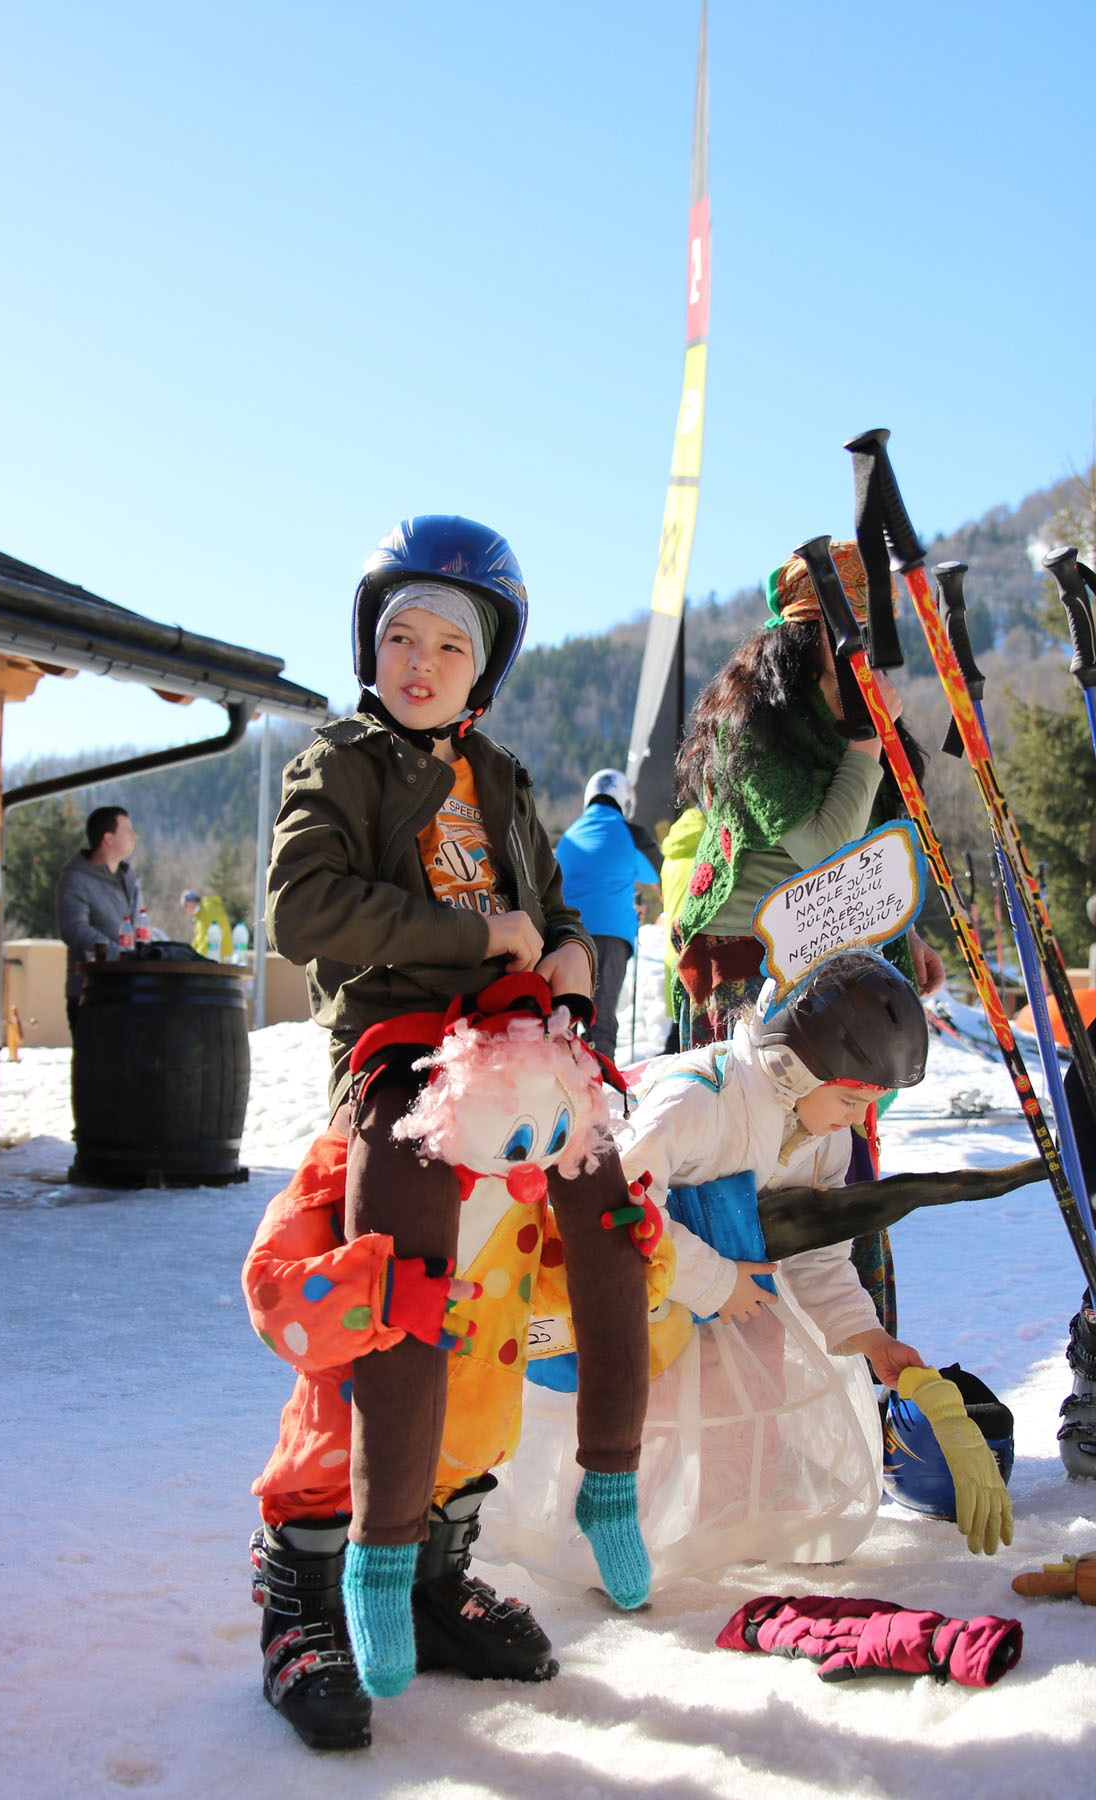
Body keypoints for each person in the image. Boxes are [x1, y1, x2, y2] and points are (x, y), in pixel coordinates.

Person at [251, 515, 651, 1742]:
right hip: (401, 1066)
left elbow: (551, 915)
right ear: (368, 649)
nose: (418, 663)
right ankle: (323, 1582)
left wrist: (573, 956)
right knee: (386, 1292)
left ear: (487, 667)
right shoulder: (345, 762)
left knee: (574, 1253)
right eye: (398, 638)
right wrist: (474, 938)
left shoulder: (502, 777)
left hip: (516, 1066)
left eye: (448, 645)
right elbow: (301, 905)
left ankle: (521, 1523)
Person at [480, 950, 936, 1590]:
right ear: (794, 1065)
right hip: (644, 1303)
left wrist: (868, 1336)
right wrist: (716, 1282)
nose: (860, 1118)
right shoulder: (697, 1100)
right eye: (851, 1098)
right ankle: (618, 1533)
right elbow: (620, 1204)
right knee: (649, 1420)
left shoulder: (827, 1134)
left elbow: (817, 1253)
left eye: (872, 1103)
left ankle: (732, 1519)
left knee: (746, 1407)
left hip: (738, 1308)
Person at [667, 540, 945, 1331]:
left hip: (838, 967)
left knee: (839, 1169)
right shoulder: (754, 724)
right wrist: (867, 743)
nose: (860, 645)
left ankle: (854, 1354)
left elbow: (875, 849)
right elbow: (824, 845)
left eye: (870, 629)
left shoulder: (857, 715)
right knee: (750, 1169)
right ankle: (743, 1349)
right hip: (750, 978)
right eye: (844, 627)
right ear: (802, 632)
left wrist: (910, 939)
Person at [553, 769, 662, 1063]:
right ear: (625, 801)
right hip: (611, 937)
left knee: (565, 1017)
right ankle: (601, 1080)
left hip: (567, 935)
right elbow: (655, 872)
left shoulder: (570, 835)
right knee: (601, 1020)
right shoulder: (632, 835)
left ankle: (561, 1077)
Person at [54, 806, 142, 1037]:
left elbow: (138, 926)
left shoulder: (129, 878)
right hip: (91, 992)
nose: (135, 835)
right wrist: (117, 956)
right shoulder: (76, 878)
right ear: (108, 838)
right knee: (95, 1058)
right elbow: (74, 929)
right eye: (128, 830)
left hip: (129, 989)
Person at [658, 804, 705, 1055]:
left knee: (681, 1028)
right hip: (698, 948)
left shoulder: (671, 854)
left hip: (672, 947)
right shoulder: (708, 848)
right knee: (695, 1037)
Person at [180, 889, 231, 960]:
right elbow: (199, 939)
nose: (188, 909)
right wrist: (190, 950)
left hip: (220, 955)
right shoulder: (200, 915)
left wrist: (197, 958)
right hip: (213, 955)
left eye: (187, 905)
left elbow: (207, 939)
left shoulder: (208, 909)